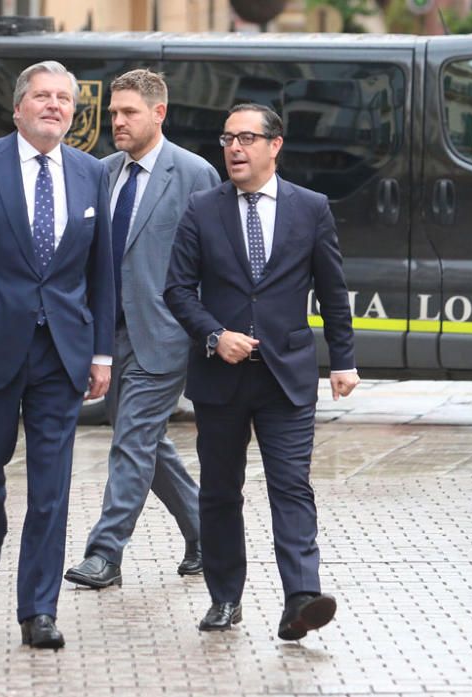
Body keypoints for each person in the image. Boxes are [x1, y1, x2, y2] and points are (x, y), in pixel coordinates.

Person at [0, 60, 114, 649]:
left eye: (65, 98)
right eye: (42, 96)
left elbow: (101, 273)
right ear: (18, 108)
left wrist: (103, 352)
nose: (55, 105)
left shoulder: (90, 173)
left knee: (52, 486)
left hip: (61, 352)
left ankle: (38, 609)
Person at [164, 103, 360, 639]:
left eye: (247, 138)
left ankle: (300, 597)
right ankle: (225, 598)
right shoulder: (202, 208)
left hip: (286, 375)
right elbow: (177, 289)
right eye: (227, 139)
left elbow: (332, 290)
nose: (234, 148)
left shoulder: (311, 207)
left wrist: (342, 359)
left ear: (275, 146)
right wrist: (213, 335)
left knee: (291, 485)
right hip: (221, 377)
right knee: (220, 492)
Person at [65, 69, 220, 591]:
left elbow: (213, 262)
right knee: (145, 443)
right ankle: (206, 532)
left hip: (165, 334)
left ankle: (105, 554)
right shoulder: (102, 171)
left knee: (131, 441)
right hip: (106, 337)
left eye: (129, 112)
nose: (117, 121)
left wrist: (205, 331)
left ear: (159, 113)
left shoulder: (195, 174)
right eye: (113, 112)